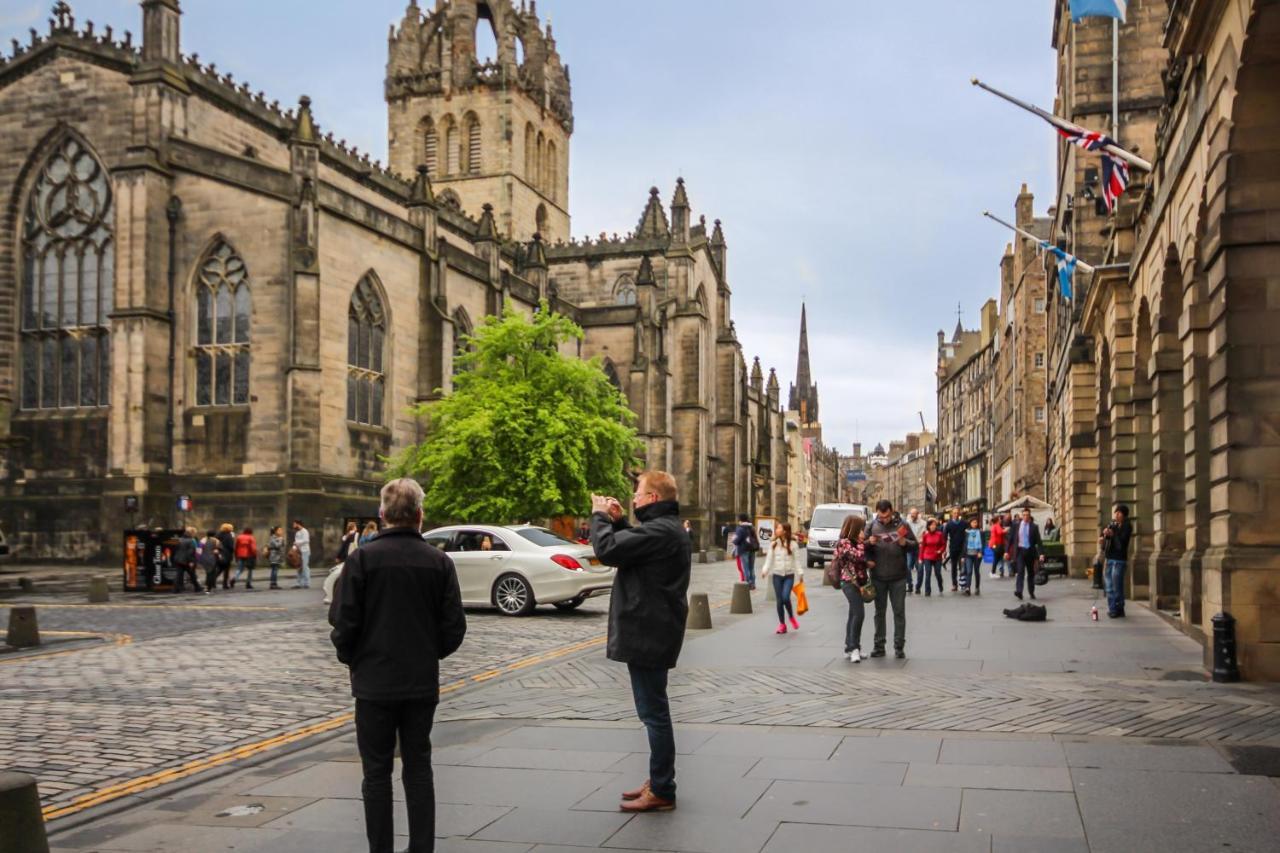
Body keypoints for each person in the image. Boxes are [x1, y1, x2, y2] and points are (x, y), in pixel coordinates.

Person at [330, 478, 467, 853]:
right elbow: (454, 627)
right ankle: (422, 848)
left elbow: (343, 623)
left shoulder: (362, 560)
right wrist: (426, 654)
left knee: (376, 772)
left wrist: (355, 658)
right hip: (420, 681)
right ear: (420, 516)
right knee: (418, 766)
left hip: (373, 683)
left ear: (383, 515)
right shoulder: (439, 562)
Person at [588, 471, 691, 813]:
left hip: (650, 631)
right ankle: (660, 781)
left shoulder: (662, 530)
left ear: (653, 498)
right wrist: (618, 524)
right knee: (654, 711)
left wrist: (600, 516)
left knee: (654, 714)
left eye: (638, 493)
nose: (632, 498)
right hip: (654, 629)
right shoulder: (664, 529)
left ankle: (662, 788)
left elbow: (607, 551)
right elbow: (633, 548)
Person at [865, 499, 916, 659]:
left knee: (899, 612)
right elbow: (861, 547)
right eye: (881, 517)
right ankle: (879, 646)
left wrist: (904, 542)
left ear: (892, 511)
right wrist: (868, 543)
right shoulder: (871, 526)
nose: (884, 520)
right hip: (878, 576)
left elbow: (915, 545)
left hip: (898, 576)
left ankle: (899, 646)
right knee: (879, 613)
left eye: (886, 516)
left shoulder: (902, 526)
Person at [833, 515, 872, 662]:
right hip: (849, 582)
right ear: (855, 529)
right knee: (859, 614)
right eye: (861, 529)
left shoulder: (855, 542)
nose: (864, 533)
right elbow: (857, 557)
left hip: (859, 582)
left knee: (853, 614)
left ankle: (850, 647)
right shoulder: (844, 542)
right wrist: (864, 544)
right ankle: (854, 648)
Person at [760, 522, 802, 634]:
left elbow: (797, 561)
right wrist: (765, 570)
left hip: (789, 575)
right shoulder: (773, 544)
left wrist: (800, 574)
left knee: (785, 598)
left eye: (779, 527)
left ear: (784, 531)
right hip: (777, 575)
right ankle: (782, 625)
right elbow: (769, 560)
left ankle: (791, 617)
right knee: (779, 600)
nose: (776, 529)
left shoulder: (793, 544)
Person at [1100, 504, 1133, 618]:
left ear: (1124, 515)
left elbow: (1121, 544)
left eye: (1119, 513)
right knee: (1108, 585)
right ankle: (1113, 608)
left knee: (1116, 585)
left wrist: (1113, 534)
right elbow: (1105, 545)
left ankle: (1119, 607)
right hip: (1109, 558)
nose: (1117, 515)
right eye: (1116, 512)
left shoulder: (1127, 526)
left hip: (1119, 560)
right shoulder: (1111, 524)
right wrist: (1103, 538)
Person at [1011, 507, 1043, 601]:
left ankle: (1031, 591)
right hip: (1020, 551)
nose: (1025, 517)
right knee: (1020, 571)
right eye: (1024, 515)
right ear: (1022, 516)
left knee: (1030, 573)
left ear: (1029, 516)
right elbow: (1012, 539)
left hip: (1030, 552)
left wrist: (1041, 553)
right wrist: (1006, 551)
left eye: (1027, 515)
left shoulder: (1034, 526)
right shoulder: (1017, 525)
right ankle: (1019, 591)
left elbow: (1039, 541)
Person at [917, 518, 945, 595]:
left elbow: (943, 544)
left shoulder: (939, 534)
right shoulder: (925, 535)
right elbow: (922, 547)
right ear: (928, 526)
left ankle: (940, 585)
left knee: (937, 573)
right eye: (931, 525)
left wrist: (940, 551)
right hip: (927, 556)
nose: (933, 526)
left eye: (934, 525)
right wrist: (920, 558)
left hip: (937, 556)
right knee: (928, 573)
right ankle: (927, 591)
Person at [731, 513, 759, 591]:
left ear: (740, 519)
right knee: (751, 567)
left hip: (744, 550)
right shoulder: (751, 527)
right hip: (752, 549)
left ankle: (748, 583)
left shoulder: (740, 528)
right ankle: (753, 583)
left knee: (745, 568)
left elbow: (736, 540)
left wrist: (733, 540)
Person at [903, 508, 926, 595]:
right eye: (911, 514)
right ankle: (910, 585)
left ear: (917, 514)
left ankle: (918, 587)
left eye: (914, 514)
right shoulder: (906, 523)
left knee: (920, 568)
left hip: (919, 548)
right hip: (909, 548)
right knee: (907, 567)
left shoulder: (923, 523)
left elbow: (926, 534)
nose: (912, 515)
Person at [172, 527, 202, 593]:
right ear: (191, 534)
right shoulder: (191, 541)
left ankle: (176, 589)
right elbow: (190, 552)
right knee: (192, 574)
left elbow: (175, 550)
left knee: (179, 575)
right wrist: (191, 561)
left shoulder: (179, 540)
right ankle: (197, 587)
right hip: (186, 561)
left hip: (178, 560)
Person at [943, 509, 967, 592]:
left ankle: (962, 583)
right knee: (953, 567)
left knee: (962, 566)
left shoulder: (963, 523)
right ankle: (954, 584)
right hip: (953, 548)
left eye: (957, 513)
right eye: (954, 513)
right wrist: (944, 550)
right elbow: (945, 537)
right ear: (951, 514)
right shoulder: (949, 524)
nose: (956, 514)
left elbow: (968, 532)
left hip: (962, 548)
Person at [963, 517, 984, 596]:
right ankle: (968, 588)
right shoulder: (966, 532)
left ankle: (977, 587)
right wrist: (963, 556)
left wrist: (980, 552)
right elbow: (964, 544)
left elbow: (983, 543)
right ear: (970, 523)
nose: (974, 524)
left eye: (976, 522)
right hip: (968, 554)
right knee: (969, 571)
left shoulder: (980, 532)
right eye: (973, 522)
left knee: (976, 571)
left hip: (977, 555)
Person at [292, 519, 312, 589]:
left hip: (305, 551)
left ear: (298, 524)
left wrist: (297, 543)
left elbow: (306, 540)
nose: (293, 526)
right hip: (298, 551)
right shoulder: (297, 533)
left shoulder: (305, 531)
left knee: (305, 567)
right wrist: (294, 548)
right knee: (299, 567)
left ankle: (306, 583)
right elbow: (295, 542)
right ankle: (299, 583)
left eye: (294, 524)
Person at [216, 523, 236, 589]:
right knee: (226, 570)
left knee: (219, 568)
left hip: (219, 553)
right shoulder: (229, 536)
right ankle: (225, 584)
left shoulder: (218, 534)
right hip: (227, 554)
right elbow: (231, 546)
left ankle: (212, 581)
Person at [988, 514, 1007, 579]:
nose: (1001, 520)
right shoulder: (997, 525)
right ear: (998, 520)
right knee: (997, 558)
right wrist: (1006, 530)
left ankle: (998, 571)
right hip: (996, 544)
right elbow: (1000, 532)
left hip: (994, 544)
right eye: (1000, 519)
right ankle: (993, 572)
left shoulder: (994, 525)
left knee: (998, 557)